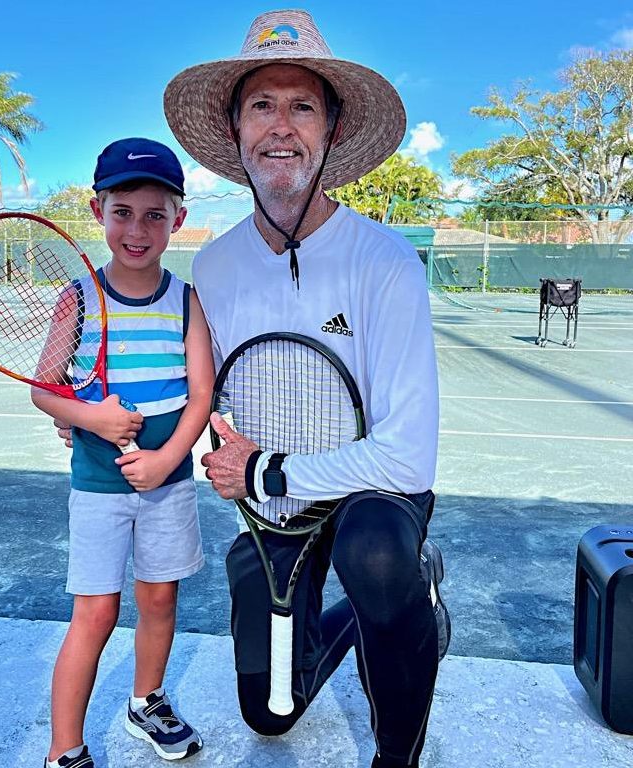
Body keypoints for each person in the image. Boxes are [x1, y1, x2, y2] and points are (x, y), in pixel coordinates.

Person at [161, 10, 451, 768]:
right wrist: (103, 418)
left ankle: (396, 749)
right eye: (261, 104)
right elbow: (196, 391)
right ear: (233, 131)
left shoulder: (385, 261)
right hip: (274, 512)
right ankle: (377, 613)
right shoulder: (215, 269)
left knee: (377, 556)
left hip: (369, 497)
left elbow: (408, 458)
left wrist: (264, 468)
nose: (280, 127)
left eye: (301, 106)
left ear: (330, 128)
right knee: (269, 716)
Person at [34, 137, 213, 767]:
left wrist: (167, 461)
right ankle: (65, 750)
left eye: (155, 214)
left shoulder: (186, 300)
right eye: (123, 212)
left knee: (160, 598)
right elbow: (45, 390)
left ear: (178, 220)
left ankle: (147, 701)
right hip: (98, 487)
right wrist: (95, 418)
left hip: (168, 484)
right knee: (96, 612)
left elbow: (201, 395)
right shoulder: (78, 299)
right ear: (98, 211)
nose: (137, 229)